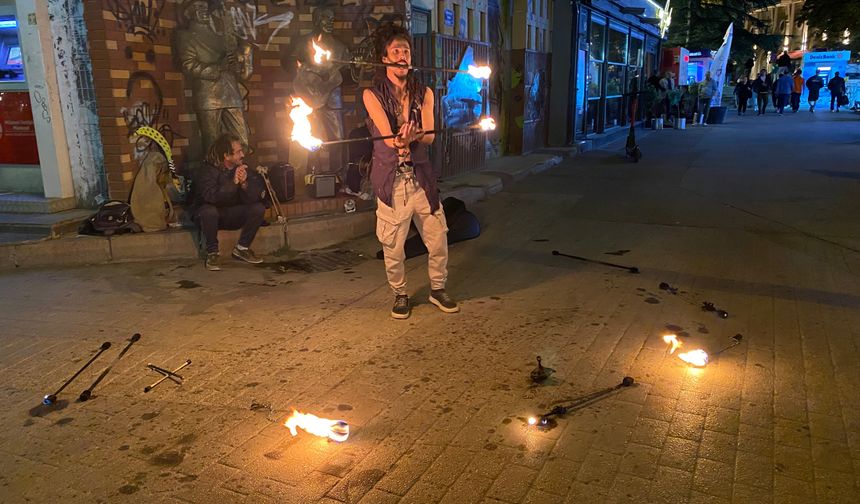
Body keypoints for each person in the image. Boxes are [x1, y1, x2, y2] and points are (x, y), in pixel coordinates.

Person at [362, 24, 458, 319]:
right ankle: (400, 293)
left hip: (421, 179)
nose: (402, 56)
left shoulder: (424, 92)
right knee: (393, 244)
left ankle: (438, 289)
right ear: (385, 58)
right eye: (396, 51)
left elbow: (429, 135)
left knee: (438, 237)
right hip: (392, 182)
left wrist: (414, 137)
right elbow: (388, 137)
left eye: (406, 51)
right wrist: (400, 141)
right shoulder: (372, 94)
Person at [176, 0, 253, 156]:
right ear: (188, 13)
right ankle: (215, 176)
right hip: (208, 96)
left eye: (204, 7)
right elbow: (188, 66)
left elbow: (234, 60)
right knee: (212, 143)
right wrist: (218, 67)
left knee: (242, 138)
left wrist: (237, 59)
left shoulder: (221, 34)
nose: (203, 11)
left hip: (230, 91)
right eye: (198, 8)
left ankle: (241, 171)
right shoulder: (186, 36)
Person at [286, 7, 350, 180]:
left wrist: (355, 69)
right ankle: (312, 175)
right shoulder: (303, 42)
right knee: (310, 135)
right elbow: (288, 62)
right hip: (309, 97)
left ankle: (339, 176)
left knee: (338, 138)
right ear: (315, 20)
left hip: (333, 97)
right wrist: (310, 74)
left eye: (332, 18)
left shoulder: (340, 47)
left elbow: (349, 76)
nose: (330, 22)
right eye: (325, 18)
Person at [194, 133, 266, 271]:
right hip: (214, 215)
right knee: (207, 211)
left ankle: (242, 248)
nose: (242, 155)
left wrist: (245, 184)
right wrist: (233, 183)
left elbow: (255, 196)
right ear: (226, 156)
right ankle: (212, 253)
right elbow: (211, 197)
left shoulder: (242, 167)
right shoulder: (208, 170)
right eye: (238, 152)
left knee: (258, 208)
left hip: (233, 212)